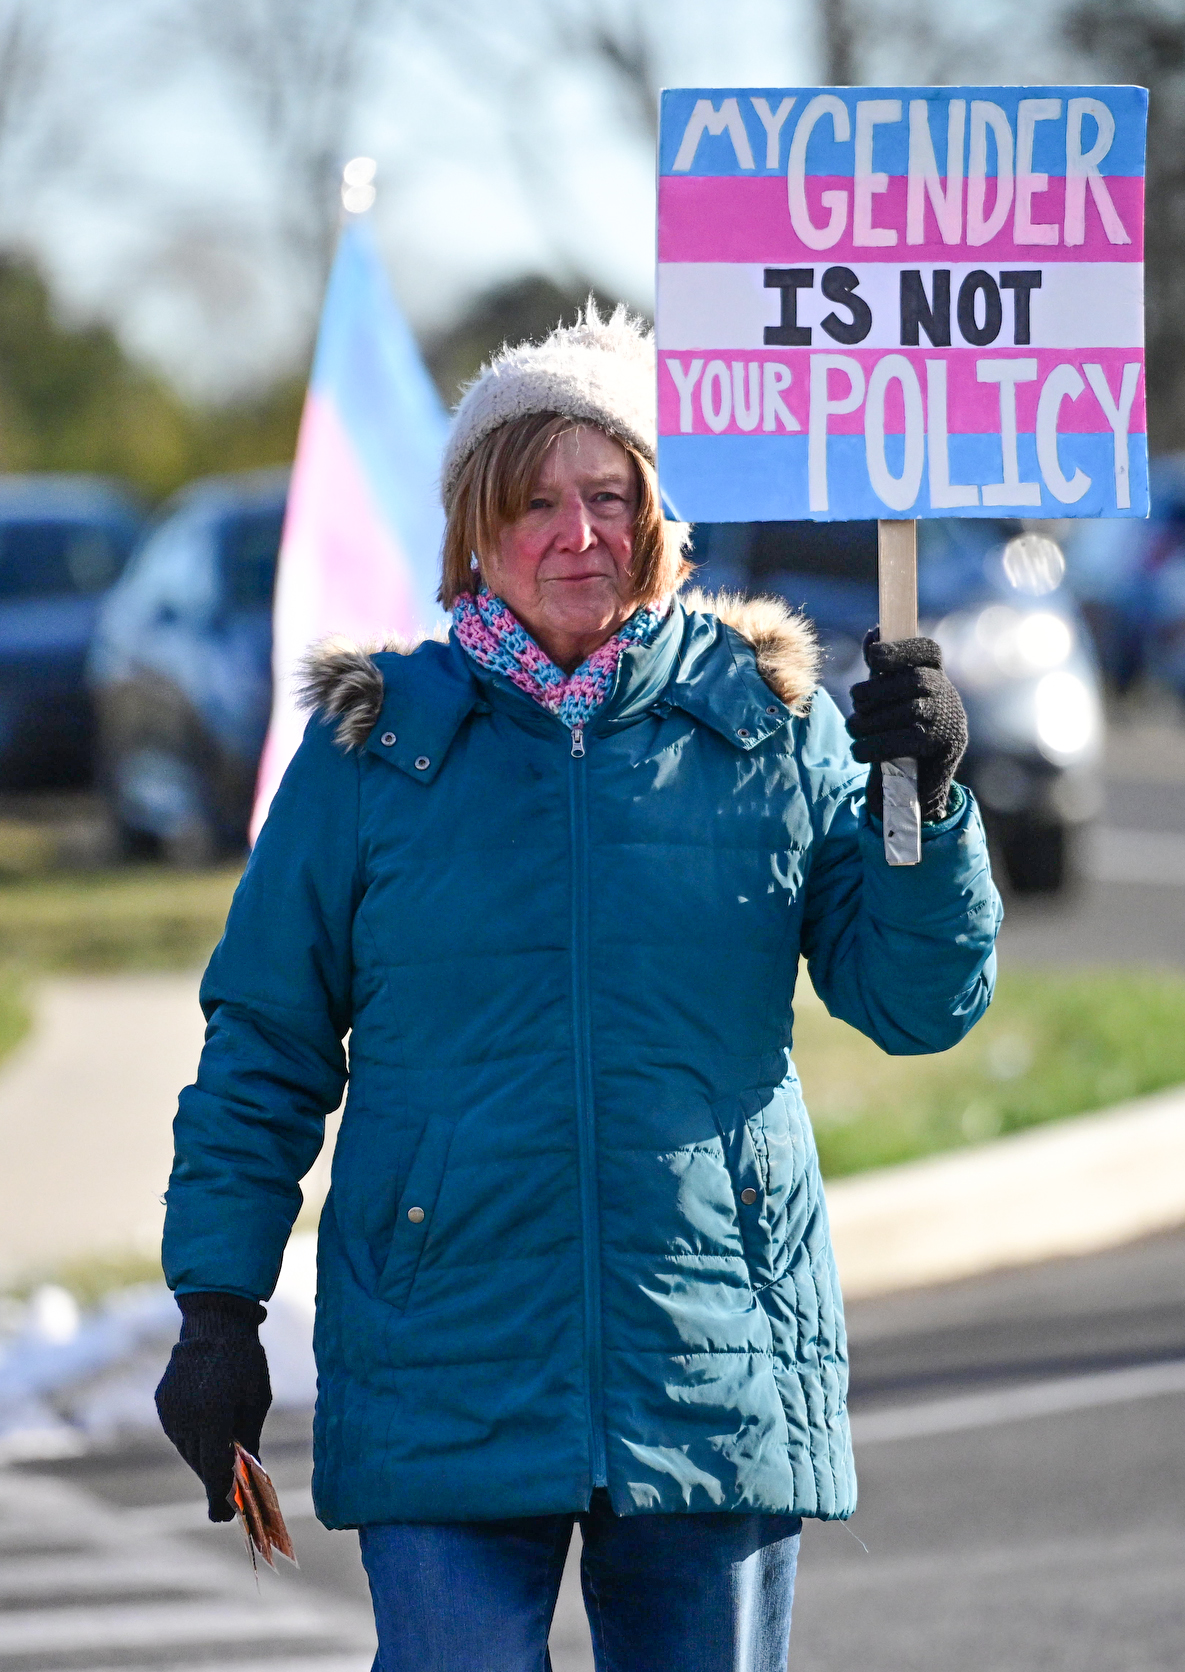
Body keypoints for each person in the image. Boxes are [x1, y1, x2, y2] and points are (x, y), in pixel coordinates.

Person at [155, 303, 1002, 1672]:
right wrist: (215, 1305)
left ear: (660, 521)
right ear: (474, 533)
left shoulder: (765, 724)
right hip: (444, 1355)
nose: (577, 534)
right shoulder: (372, 750)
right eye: (535, 500)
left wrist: (926, 801)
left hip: (715, 1355)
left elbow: (917, 1003)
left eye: (610, 497)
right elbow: (263, 1042)